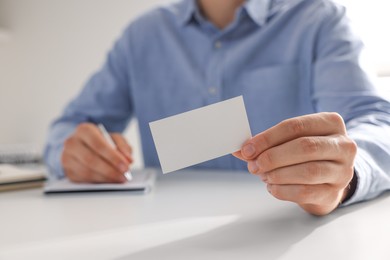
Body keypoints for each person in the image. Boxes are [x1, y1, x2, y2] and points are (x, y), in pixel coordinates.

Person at [44, 0, 390, 216]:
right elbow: (71, 126)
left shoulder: (319, 20)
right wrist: (70, 153)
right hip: (158, 232)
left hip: (287, 230)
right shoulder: (142, 36)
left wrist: (343, 173)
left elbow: (378, 123)